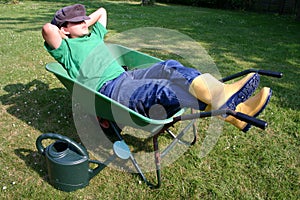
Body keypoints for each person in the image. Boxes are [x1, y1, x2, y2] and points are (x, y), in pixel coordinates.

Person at [42, 4, 272, 132]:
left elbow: (102, 10)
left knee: (168, 66)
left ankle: (230, 105)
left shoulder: (94, 35)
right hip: (109, 91)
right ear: (63, 29)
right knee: (160, 88)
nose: (84, 23)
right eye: (78, 22)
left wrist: (80, 22)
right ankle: (234, 110)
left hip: (126, 76)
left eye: (84, 19)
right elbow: (47, 28)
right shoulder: (65, 49)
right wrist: (65, 28)